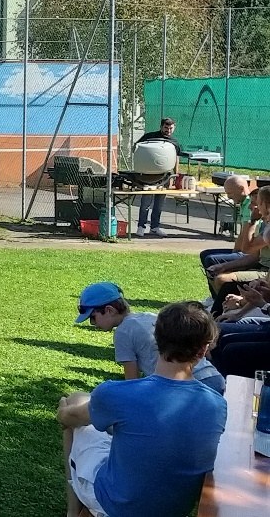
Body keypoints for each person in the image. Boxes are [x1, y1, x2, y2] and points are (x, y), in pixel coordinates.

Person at [57, 301, 225, 517]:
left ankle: (72, 512)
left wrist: (63, 409)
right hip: (174, 510)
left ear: (156, 338)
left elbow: (68, 418)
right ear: (203, 350)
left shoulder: (116, 394)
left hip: (117, 505)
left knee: (75, 400)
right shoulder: (217, 404)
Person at [74, 281, 226, 393]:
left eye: (93, 317)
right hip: (213, 377)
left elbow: (131, 381)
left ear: (109, 310)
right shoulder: (147, 316)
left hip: (187, 387)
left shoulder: (122, 333)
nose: (93, 323)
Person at [204, 185, 270, 314]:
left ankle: (217, 314)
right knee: (211, 260)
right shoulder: (264, 224)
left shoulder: (266, 228)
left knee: (222, 279)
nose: (251, 207)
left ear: (266, 205)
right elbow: (251, 253)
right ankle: (218, 309)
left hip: (264, 270)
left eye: (256, 203)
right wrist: (224, 266)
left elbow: (247, 248)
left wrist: (241, 303)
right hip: (262, 270)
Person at [134, 117, 182, 238]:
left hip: (165, 176)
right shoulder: (149, 137)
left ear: (174, 128)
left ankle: (155, 227)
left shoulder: (174, 142)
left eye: (171, 128)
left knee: (159, 204)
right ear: (161, 127)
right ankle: (141, 227)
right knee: (146, 203)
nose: (168, 130)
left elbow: (176, 158)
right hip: (148, 177)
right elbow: (137, 149)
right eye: (166, 128)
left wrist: (175, 175)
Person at [200, 174, 254, 272]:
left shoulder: (250, 205)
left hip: (249, 253)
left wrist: (235, 253)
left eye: (230, 193)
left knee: (211, 259)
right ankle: (216, 279)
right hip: (244, 250)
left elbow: (245, 233)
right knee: (205, 254)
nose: (228, 196)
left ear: (241, 189)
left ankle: (220, 280)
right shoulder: (243, 203)